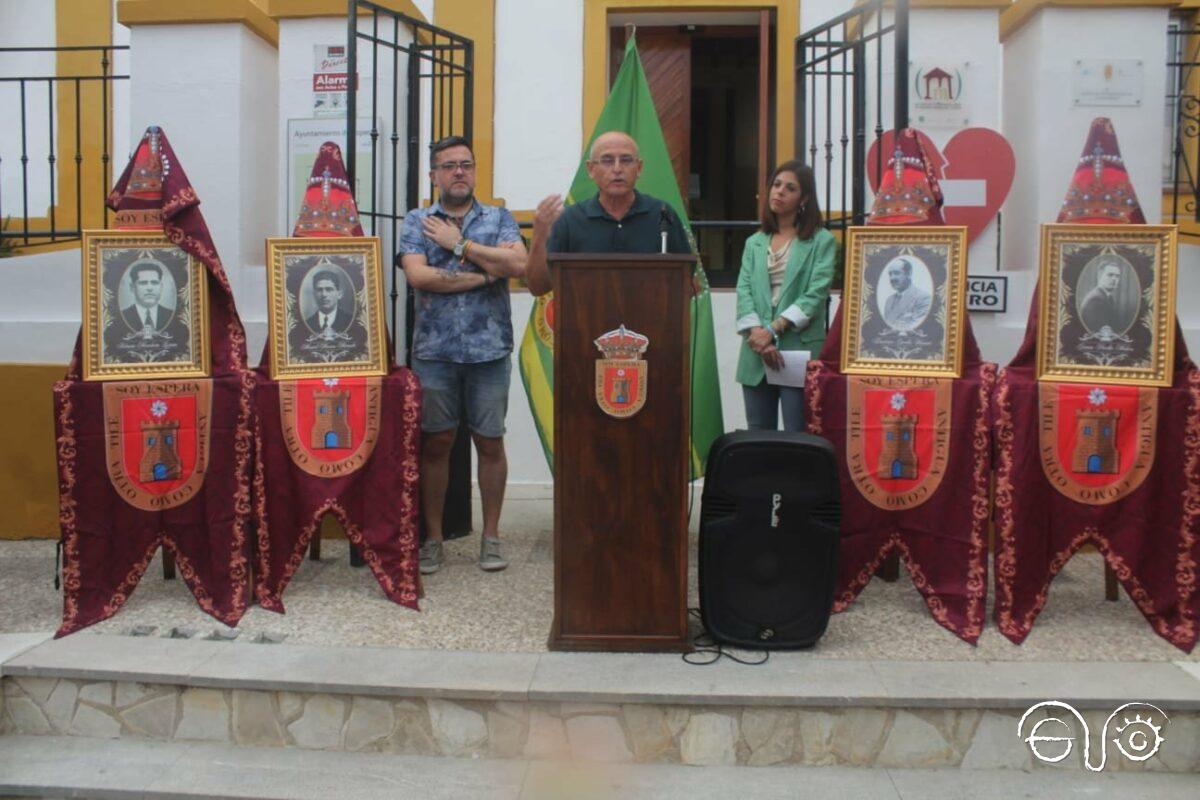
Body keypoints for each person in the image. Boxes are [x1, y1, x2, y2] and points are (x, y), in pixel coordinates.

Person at [400, 135, 527, 575]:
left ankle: (491, 538)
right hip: (434, 353)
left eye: (466, 164)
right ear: (434, 174)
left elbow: (519, 266)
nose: (459, 172)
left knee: (490, 443)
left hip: (489, 352)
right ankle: (433, 539)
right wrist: (485, 276)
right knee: (436, 444)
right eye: (449, 165)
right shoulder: (417, 220)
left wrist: (461, 247)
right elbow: (419, 277)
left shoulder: (499, 217)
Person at [734, 161, 836, 431]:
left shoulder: (821, 240)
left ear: (803, 198)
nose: (779, 192)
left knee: (797, 431)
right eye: (776, 185)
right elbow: (744, 291)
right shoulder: (753, 242)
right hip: (756, 349)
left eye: (789, 188)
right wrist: (760, 338)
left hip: (798, 349)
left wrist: (773, 330)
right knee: (758, 432)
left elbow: (815, 295)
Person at [525, 131, 690, 295]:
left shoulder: (663, 214)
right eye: (607, 160)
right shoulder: (570, 219)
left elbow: (689, 282)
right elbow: (538, 287)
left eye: (626, 160)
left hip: (649, 319)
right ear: (590, 169)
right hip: (585, 319)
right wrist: (540, 235)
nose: (617, 169)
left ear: (639, 168)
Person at [106, 259, 189, 360]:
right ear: (132, 287)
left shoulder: (174, 316)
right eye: (143, 283)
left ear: (161, 286)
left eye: (154, 283)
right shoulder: (120, 317)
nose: (150, 288)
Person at [880, 257, 931, 331]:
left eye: (896, 273)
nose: (892, 278)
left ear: (909, 274)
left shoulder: (923, 298)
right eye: (890, 274)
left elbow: (916, 329)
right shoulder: (889, 300)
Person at [1079, 259, 1127, 335]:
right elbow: (1098, 334)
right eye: (1110, 275)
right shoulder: (1095, 300)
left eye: (1117, 276)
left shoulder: (1108, 297)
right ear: (1099, 276)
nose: (1114, 279)